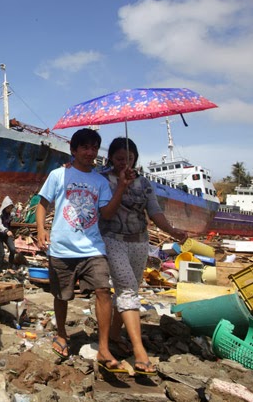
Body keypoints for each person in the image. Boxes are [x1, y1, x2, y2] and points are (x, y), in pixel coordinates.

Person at [36, 128, 133, 373]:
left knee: (103, 290)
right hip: (61, 248)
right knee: (61, 296)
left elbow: (107, 213)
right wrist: (40, 229)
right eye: (85, 147)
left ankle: (103, 347)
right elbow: (42, 204)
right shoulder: (59, 175)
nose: (90, 153)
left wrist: (121, 187)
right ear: (74, 150)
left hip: (92, 247)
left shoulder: (100, 181)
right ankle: (61, 334)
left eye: (94, 148)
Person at [100, 137, 188, 376]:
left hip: (139, 242)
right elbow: (105, 213)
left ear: (135, 159)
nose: (124, 163)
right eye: (119, 158)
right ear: (110, 158)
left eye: (129, 159)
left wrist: (171, 230)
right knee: (127, 289)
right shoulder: (103, 180)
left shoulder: (145, 184)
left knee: (129, 290)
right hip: (113, 239)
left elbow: (155, 212)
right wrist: (121, 186)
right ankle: (140, 352)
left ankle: (116, 335)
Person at [0, 196, 17, 271]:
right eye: (8, 208)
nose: (9, 209)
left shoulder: (10, 214)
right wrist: (6, 230)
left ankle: (10, 266)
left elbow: (15, 215)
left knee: (12, 249)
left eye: (11, 208)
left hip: (6, 235)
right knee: (2, 253)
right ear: (5, 207)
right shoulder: (0, 214)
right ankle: (0, 269)